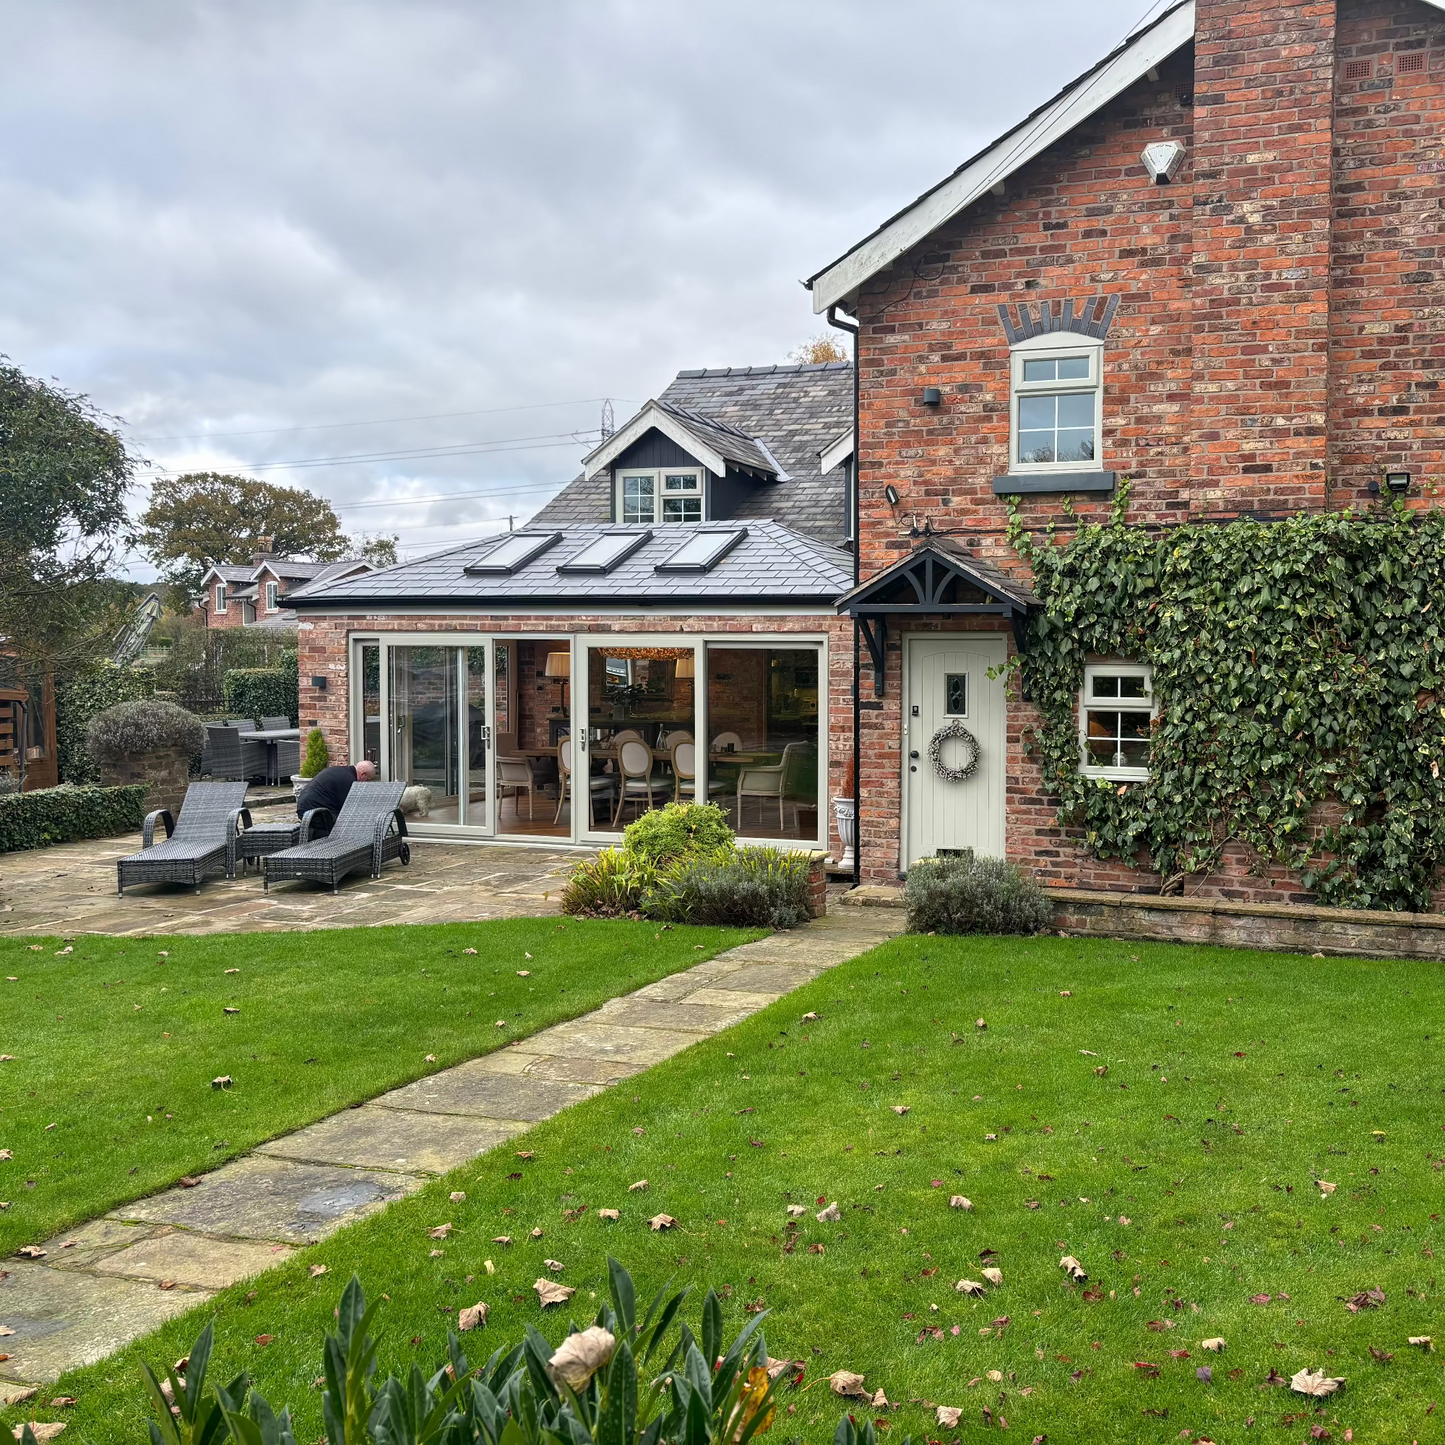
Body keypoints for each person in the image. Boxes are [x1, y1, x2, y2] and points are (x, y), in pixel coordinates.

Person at [297, 758, 376, 818]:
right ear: (362, 774)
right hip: (315, 813)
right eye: (366, 780)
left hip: (305, 806)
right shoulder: (349, 781)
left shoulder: (341, 771)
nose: (365, 783)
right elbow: (347, 809)